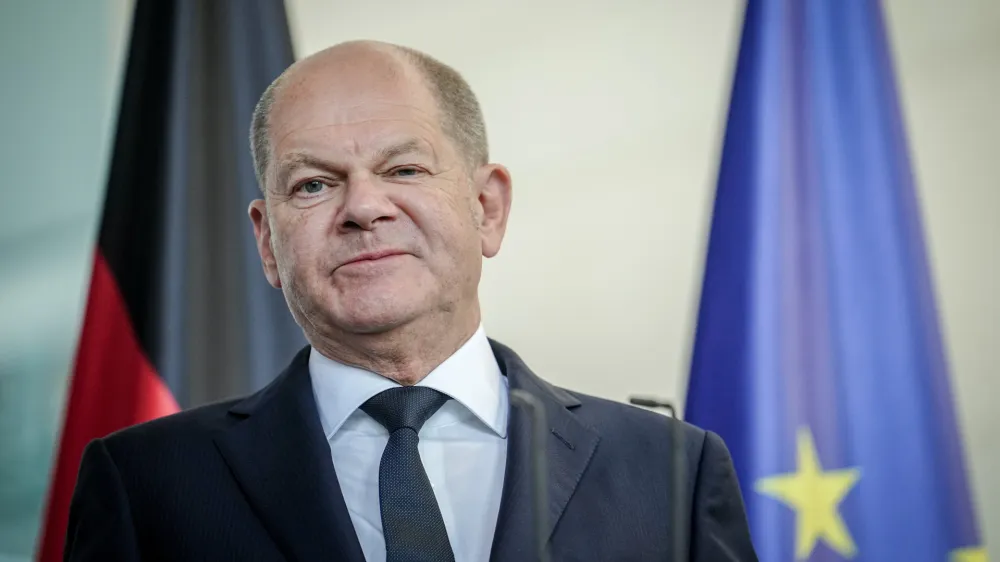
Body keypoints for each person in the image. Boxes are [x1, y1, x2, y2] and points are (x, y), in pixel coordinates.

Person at [64, 41, 757, 561]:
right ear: (268, 243)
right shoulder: (146, 485)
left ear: (487, 208)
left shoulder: (670, 471)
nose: (364, 207)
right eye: (312, 185)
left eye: (404, 169)